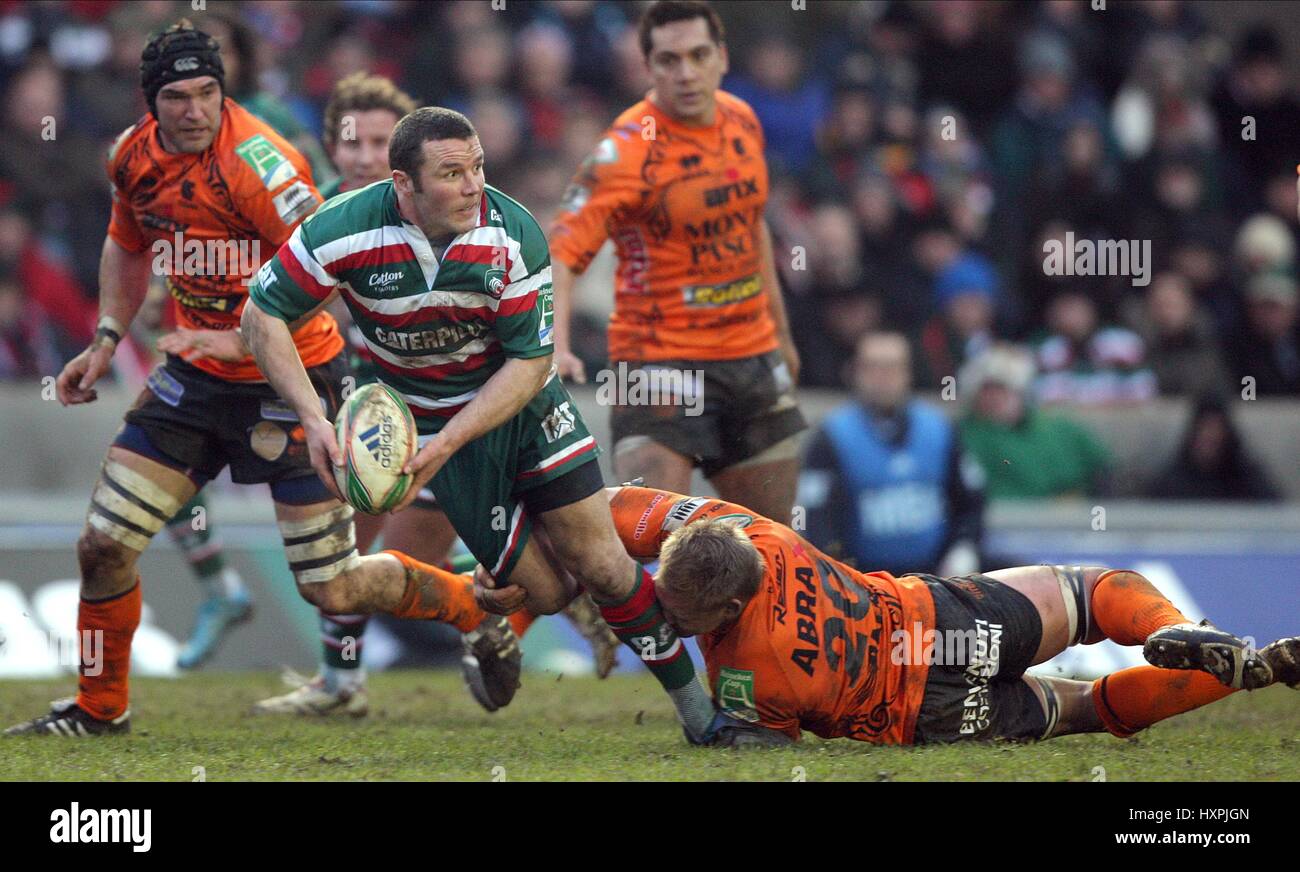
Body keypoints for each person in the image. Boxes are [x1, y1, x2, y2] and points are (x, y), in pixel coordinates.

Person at [4, 22, 518, 738]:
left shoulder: (262, 166)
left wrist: (241, 341)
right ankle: (99, 710)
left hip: (294, 377)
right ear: (150, 101)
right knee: (104, 543)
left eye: (208, 92)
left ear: (225, 91)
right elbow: (126, 243)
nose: (194, 109)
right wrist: (107, 337)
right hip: (195, 380)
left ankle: (469, 605)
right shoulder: (130, 156)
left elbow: (329, 277)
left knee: (330, 583)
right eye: (177, 96)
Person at [239, 105, 719, 741]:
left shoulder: (512, 232)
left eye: (478, 167)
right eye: (452, 173)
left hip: (527, 411)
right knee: (546, 596)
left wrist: (448, 440)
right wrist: (314, 420)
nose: (473, 186)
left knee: (602, 565)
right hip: (436, 436)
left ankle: (703, 716)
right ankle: (496, 591)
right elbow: (261, 315)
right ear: (403, 185)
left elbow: (528, 363)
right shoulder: (342, 229)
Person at [475, 485, 1299, 746]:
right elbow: (614, 503)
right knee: (1089, 592)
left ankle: (1251, 677)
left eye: (683, 609)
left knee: (1087, 712)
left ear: (726, 607)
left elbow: (749, 744)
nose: (665, 606)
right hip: (934, 616)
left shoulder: (744, 675)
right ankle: (1172, 630)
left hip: (930, 712)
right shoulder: (745, 528)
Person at [548, 0, 806, 526]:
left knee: (773, 552)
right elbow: (562, 252)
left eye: (697, 55)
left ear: (722, 58)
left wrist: (782, 335)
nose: (685, 73)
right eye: (668, 60)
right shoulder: (622, 150)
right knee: (654, 545)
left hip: (751, 359)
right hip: (656, 366)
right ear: (648, 68)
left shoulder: (742, 121)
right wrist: (555, 346)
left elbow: (752, 228)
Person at [799, 332, 984, 578]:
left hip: (935, 577)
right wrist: (838, 574)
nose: (882, 377)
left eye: (891, 367)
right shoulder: (831, 437)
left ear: (908, 373)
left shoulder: (940, 429)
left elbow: (971, 500)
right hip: (861, 580)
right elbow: (816, 516)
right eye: (872, 367)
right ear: (855, 372)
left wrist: (963, 548)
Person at [958, 345, 1111, 500]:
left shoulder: (1061, 427)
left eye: (1002, 388)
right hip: (1015, 518)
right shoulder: (968, 438)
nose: (994, 397)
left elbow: (1103, 470)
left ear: (1020, 391)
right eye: (986, 390)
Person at [1146, 395, 1281, 501]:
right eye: (1204, 429)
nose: (1209, 436)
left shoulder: (1247, 481)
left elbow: (1273, 515)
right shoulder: (1172, 483)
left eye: (1216, 429)